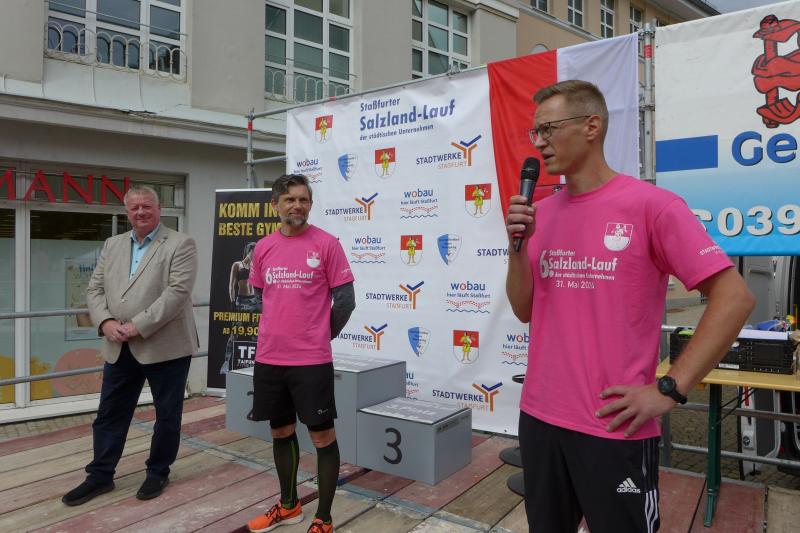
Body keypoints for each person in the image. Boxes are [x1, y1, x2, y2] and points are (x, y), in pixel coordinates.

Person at [504, 80, 755, 533]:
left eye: (548, 129)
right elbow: (524, 309)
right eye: (534, 132)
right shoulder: (542, 212)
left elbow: (734, 297)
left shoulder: (652, 206)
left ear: (591, 126)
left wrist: (670, 388)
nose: (538, 142)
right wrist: (516, 248)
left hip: (613, 427)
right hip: (539, 418)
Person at [62, 185, 199, 506]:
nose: (141, 212)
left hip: (165, 346)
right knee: (110, 413)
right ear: (127, 212)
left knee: (167, 415)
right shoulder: (113, 244)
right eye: (134, 207)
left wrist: (138, 325)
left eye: (147, 206)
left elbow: (178, 292)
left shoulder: (181, 243)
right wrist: (105, 322)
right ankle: (100, 476)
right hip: (118, 344)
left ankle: (157, 472)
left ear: (159, 209)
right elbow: (94, 289)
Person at [246, 174, 355, 533]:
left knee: (322, 437)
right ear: (275, 205)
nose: (297, 206)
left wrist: (319, 334)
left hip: (311, 361)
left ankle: (324, 518)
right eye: (289, 199)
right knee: (281, 432)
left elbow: (346, 301)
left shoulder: (327, 244)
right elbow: (260, 297)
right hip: (270, 358)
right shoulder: (263, 247)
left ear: (310, 204)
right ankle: (289, 506)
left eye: (303, 200)